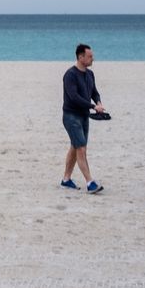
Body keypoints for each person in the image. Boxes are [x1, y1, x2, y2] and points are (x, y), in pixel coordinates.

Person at [61, 43, 106, 193]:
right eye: (90, 56)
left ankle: (66, 179)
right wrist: (93, 107)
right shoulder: (70, 75)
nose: (93, 59)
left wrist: (98, 102)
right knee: (81, 148)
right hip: (71, 116)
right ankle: (90, 182)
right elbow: (74, 97)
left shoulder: (89, 74)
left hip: (84, 117)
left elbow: (94, 91)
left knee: (75, 147)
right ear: (81, 57)